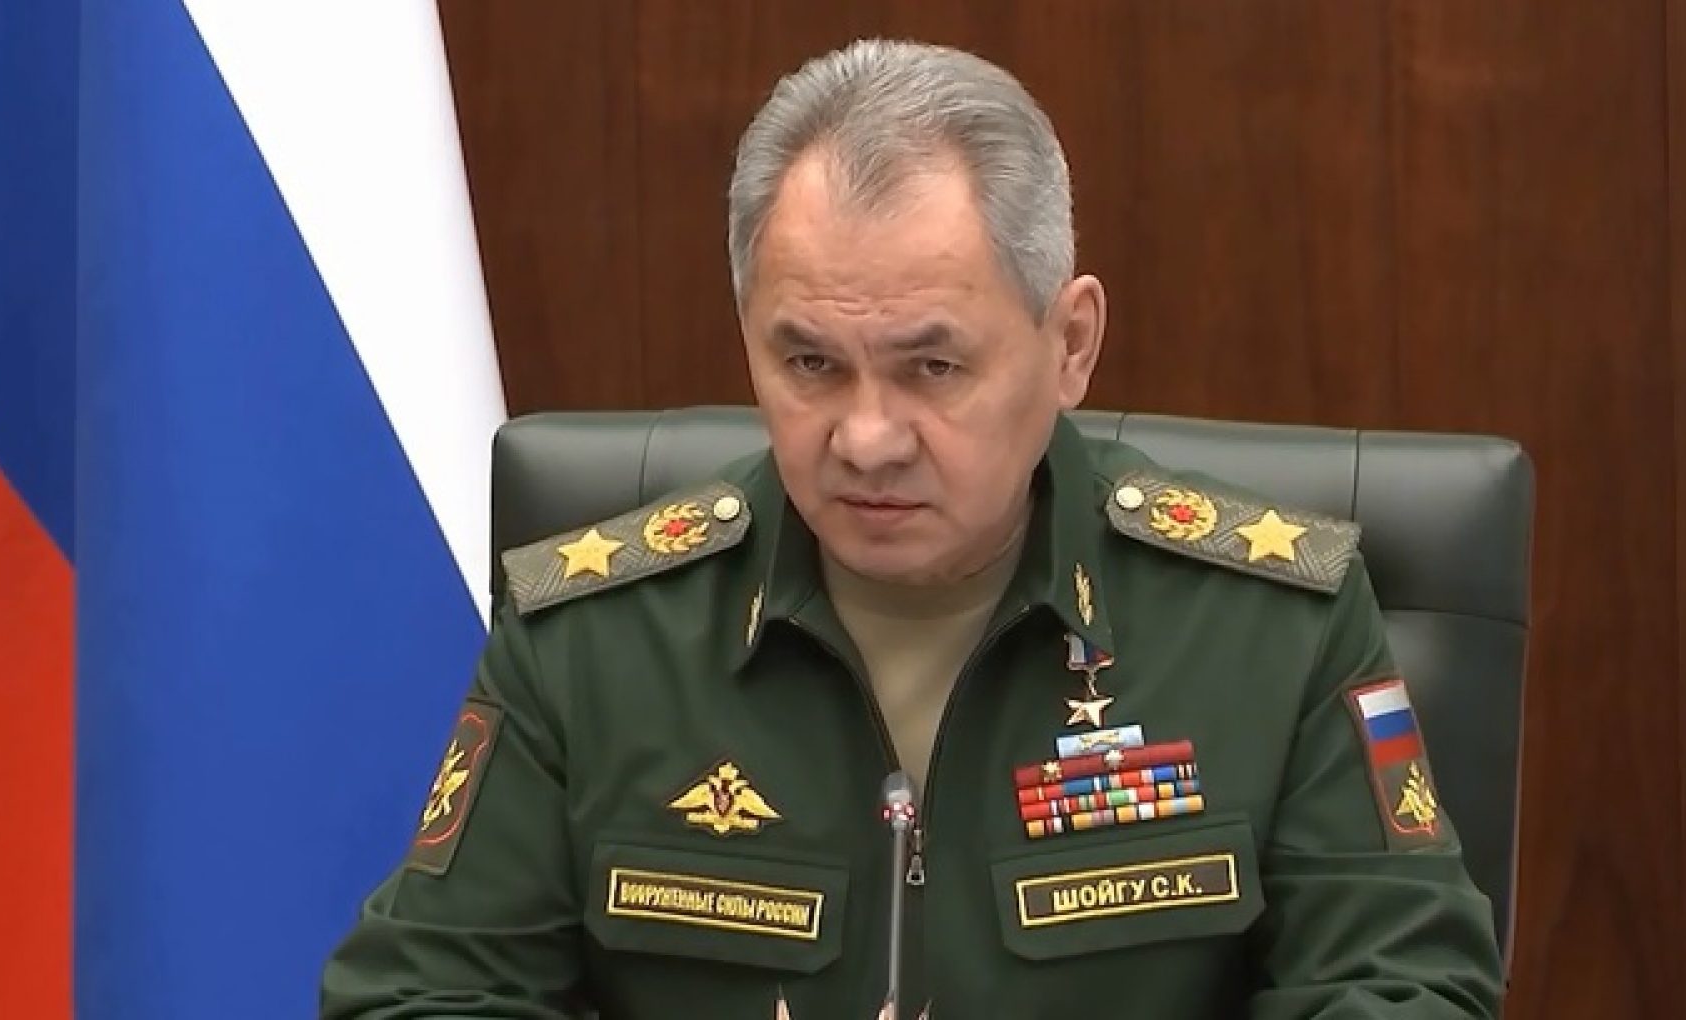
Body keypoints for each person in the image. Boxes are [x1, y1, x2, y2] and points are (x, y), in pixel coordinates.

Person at [320, 37, 1505, 1019]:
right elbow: (419, 998)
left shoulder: (1270, 626)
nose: (868, 437)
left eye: (932, 366)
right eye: (809, 364)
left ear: (1070, 344)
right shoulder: (595, 637)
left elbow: (1407, 989)